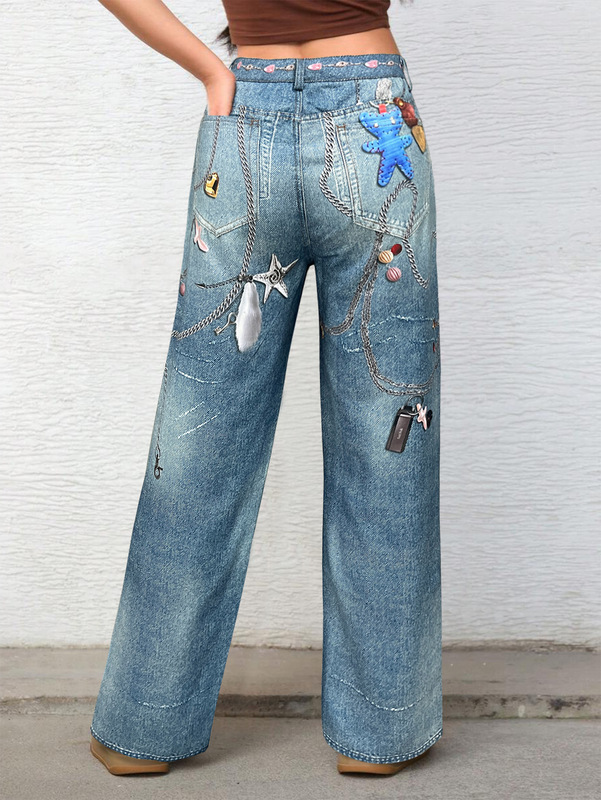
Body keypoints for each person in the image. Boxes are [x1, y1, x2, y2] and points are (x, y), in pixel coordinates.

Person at [89, 0, 443, 778]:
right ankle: (381, 733)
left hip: (244, 119)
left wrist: (213, 73)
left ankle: (140, 727)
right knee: (388, 440)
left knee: (197, 444)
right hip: (374, 118)